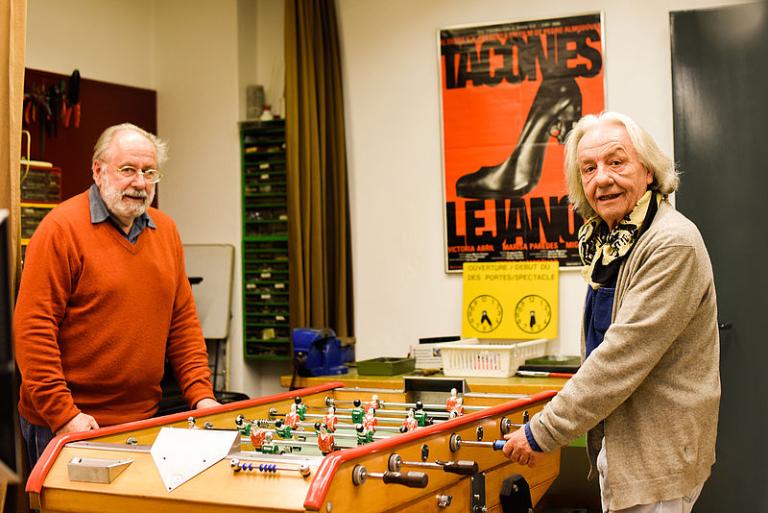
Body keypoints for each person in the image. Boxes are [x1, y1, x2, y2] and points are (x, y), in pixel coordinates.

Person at [502, 112, 720, 513]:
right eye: (589, 168)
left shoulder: (671, 242)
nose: (602, 178)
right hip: (624, 450)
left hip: (656, 460)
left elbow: (620, 357)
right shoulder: (613, 243)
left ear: (649, 172)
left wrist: (542, 432)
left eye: (616, 162)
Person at [14, 123, 219, 467]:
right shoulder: (59, 230)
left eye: (149, 172)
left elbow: (182, 325)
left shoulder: (166, 231)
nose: (139, 183)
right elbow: (32, 331)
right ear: (98, 170)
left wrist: (203, 397)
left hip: (142, 420)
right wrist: (64, 415)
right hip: (68, 424)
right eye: (127, 170)